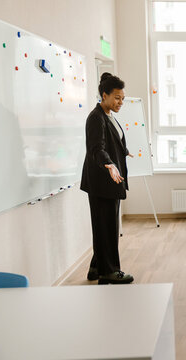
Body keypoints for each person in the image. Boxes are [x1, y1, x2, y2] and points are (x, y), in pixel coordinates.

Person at [80, 72, 134, 284]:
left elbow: (112, 139)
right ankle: (109, 271)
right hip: (102, 183)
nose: (121, 102)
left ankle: (96, 267)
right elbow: (96, 148)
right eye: (117, 98)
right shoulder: (96, 118)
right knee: (107, 228)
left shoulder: (107, 115)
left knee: (104, 226)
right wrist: (110, 164)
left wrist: (123, 151)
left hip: (110, 181)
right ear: (104, 95)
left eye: (122, 98)